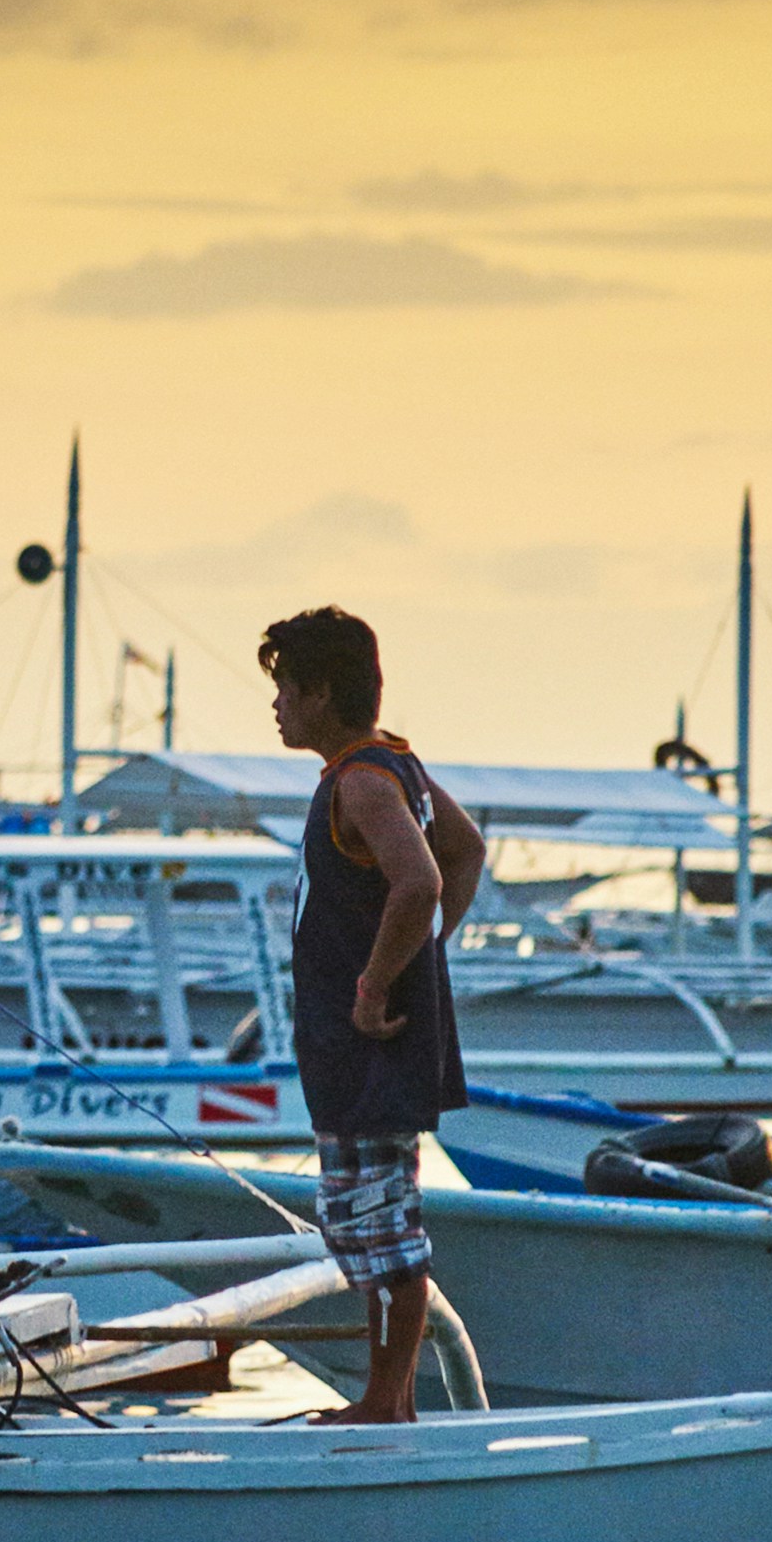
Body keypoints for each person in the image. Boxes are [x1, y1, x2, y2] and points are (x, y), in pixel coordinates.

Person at [260, 605, 484, 1424]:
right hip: (355, 1044)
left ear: (320, 692)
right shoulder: (393, 765)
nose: (275, 705)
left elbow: (423, 877)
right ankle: (384, 1397)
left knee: (376, 1220)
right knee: (362, 1212)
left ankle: (385, 1402)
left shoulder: (362, 778)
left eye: (284, 687)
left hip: (366, 1042)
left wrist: (377, 982)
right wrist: (417, 957)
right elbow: (464, 850)